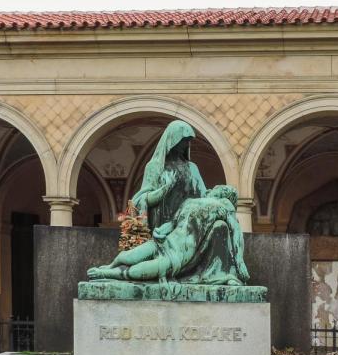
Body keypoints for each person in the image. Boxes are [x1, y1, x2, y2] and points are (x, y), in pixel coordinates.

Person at [88, 185, 248, 286]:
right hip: (165, 241)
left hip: (180, 254)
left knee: (138, 272)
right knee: (128, 256)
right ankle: (109, 267)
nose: (215, 189)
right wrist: (161, 231)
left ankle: (107, 273)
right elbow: (173, 222)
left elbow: (235, 230)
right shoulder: (190, 202)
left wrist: (239, 261)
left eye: (222, 189)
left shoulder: (224, 206)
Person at [130, 120, 207, 233]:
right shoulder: (154, 167)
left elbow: (204, 196)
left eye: (188, 141)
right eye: (183, 140)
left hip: (188, 222)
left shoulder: (192, 168)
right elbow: (141, 200)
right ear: (173, 139)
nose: (186, 144)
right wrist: (163, 191)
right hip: (162, 223)